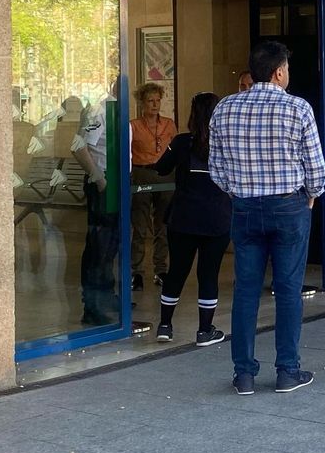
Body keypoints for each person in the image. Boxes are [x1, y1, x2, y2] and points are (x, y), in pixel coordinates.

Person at [209, 41, 325, 396]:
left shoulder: (225, 108)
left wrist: (236, 190)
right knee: (289, 290)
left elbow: (216, 169)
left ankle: (243, 374)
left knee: (245, 291)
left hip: (245, 208)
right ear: (278, 72)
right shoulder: (297, 109)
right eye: (286, 69)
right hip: (288, 206)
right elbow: (317, 171)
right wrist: (311, 195)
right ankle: (287, 370)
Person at [153, 91, 230, 347]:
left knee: (176, 271)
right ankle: (204, 331)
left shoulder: (181, 141)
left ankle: (165, 325)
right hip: (216, 218)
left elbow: (161, 167)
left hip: (183, 216)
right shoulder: (227, 143)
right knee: (208, 274)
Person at [71, 88, 119, 327]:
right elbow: (79, 147)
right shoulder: (99, 110)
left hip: (117, 182)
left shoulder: (117, 109)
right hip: (104, 182)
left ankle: (106, 296)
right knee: (99, 246)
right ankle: (92, 305)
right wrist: (99, 179)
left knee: (111, 245)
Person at [129, 83, 176, 291]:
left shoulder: (168, 124)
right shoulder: (133, 126)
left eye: (157, 100)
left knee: (163, 225)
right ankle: (136, 272)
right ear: (142, 103)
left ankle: (161, 269)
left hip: (164, 174)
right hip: (141, 173)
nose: (155, 104)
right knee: (139, 226)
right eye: (150, 101)